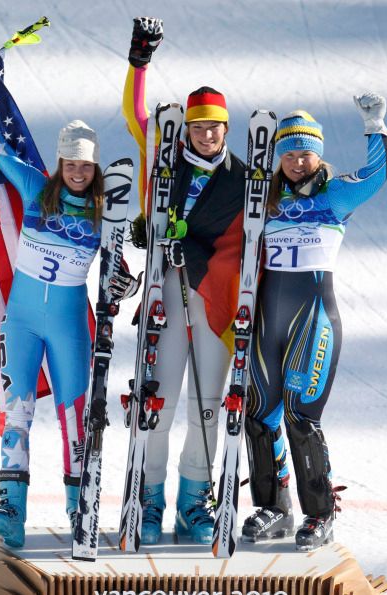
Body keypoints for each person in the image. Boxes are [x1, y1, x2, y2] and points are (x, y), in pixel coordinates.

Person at [0, 49, 139, 548]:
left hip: (68, 325)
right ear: (61, 161)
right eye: (71, 163)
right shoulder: (35, 188)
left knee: (74, 413)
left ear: (93, 165)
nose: (78, 172)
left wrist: (123, 285)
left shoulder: (106, 212)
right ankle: (10, 509)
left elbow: (117, 271)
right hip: (21, 322)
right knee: (17, 411)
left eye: (85, 164)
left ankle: (76, 505)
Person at [243, 95, 387, 550]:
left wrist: (375, 125)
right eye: (288, 154)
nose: (296, 162)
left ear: (318, 154)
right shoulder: (263, 197)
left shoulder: (335, 194)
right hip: (269, 319)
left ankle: (319, 513)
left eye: (304, 153)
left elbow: (379, 174)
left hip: (314, 316)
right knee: (258, 413)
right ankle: (273, 506)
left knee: (300, 415)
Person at [123, 18, 246, 545]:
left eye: (214, 126)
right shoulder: (164, 161)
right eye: (198, 126)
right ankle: (149, 499)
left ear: (226, 128)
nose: (206, 133)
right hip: (168, 293)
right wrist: (139, 60)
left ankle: (194, 501)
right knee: (159, 400)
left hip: (214, 297)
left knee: (209, 405)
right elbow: (135, 115)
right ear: (188, 128)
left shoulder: (245, 177)